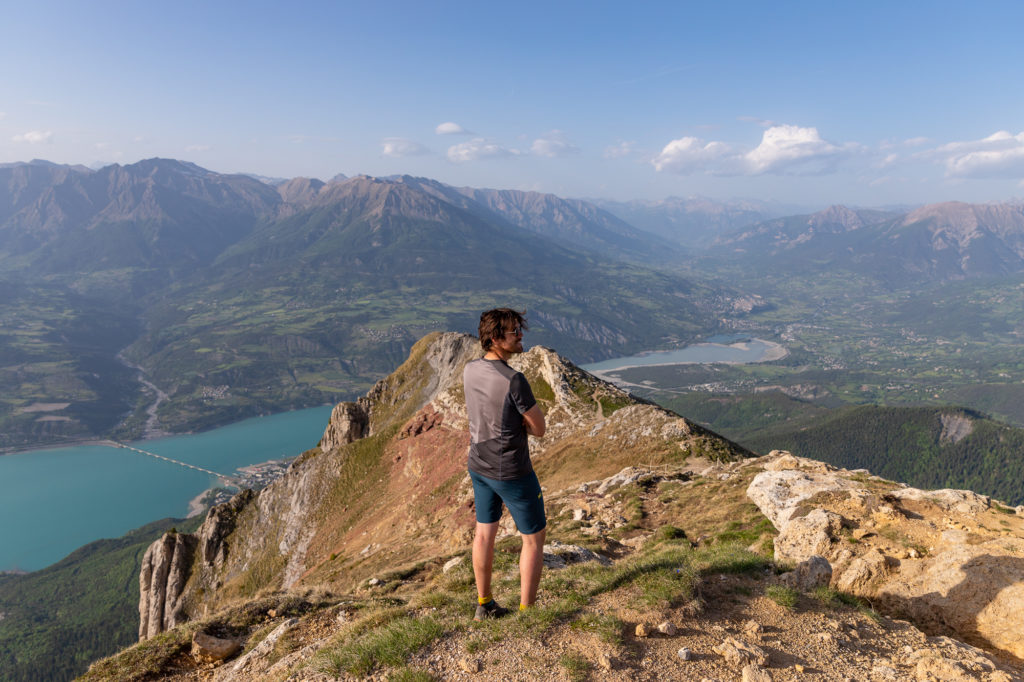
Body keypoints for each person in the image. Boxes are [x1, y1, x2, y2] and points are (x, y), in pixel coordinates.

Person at [463, 308, 547, 620]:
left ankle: (484, 604)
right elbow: (539, 428)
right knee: (533, 539)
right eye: (514, 331)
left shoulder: (470, 369)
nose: (521, 335)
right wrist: (518, 426)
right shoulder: (514, 380)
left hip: (479, 463)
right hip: (511, 469)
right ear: (497, 339)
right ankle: (527, 613)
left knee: (484, 534)